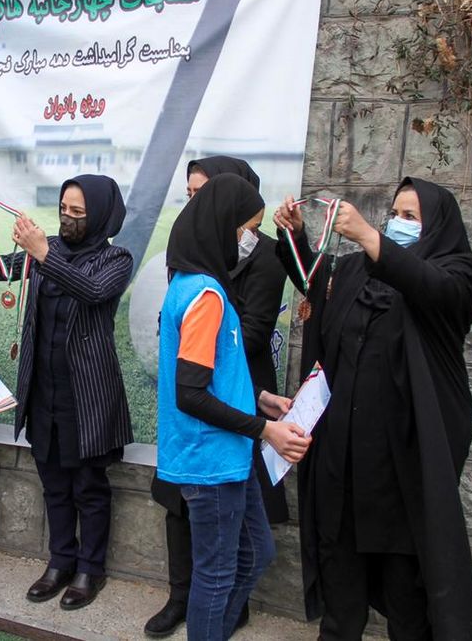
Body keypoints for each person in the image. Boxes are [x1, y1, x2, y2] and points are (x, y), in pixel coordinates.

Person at [272, 177, 472, 640]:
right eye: (394, 214)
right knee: (341, 595)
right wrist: (295, 235)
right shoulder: (355, 270)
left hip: (400, 476)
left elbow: (431, 288)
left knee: (407, 604)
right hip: (344, 466)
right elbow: (313, 279)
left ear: (437, 226)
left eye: (411, 217)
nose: (397, 223)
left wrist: (370, 236)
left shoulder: (460, 273)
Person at [0, 175, 133, 610]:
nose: (67, 218)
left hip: (88, 394)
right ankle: (60, 561)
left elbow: (93, 291)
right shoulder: (50, 248)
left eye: (78, 212)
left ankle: (90, 569)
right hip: (44, 388)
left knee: (89, 486)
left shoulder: (115, 258)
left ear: (101, 216)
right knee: (54, 483)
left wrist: (42, 253)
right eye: (63, 209)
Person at [157, 174, 311, 641]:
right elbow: (190, 393)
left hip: (228, 457)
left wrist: (259, 398)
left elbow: (211, 375)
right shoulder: (204, 295)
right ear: (224, 224)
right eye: (250, 228)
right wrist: (266, 430)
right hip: (211, 461)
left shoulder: (194, 284)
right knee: (217, 573)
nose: (251, 240)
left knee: (256, 553)